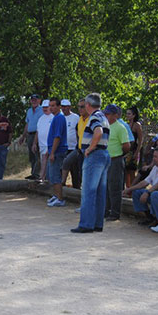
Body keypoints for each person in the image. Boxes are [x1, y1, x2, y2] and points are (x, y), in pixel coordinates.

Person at [72, 93, 110, 233]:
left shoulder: (94, 117)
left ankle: (86, 224)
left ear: (88, 105)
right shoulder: (103, 116)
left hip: (95, 155)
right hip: (104, 154)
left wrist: (90, 148)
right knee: (100, 191)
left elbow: (98, 132)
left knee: (88, 191)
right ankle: (97, 223)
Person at [123, 146, 158, 226]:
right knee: (137, 192)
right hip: (154, 192)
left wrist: (147, 192)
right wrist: (129, 189)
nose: (153, 159)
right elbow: (145, 182)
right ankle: (149, 217)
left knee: (155, 195)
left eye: (155, 156)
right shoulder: (156, 167)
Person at [104, 104, 131, 221]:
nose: (106, 115)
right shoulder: (104, 125)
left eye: (108, 114)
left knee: (115, 187)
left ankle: (115, 213)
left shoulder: (120, 127)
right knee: (105, 186)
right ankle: (106, 210)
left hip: (115, 159)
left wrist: (119, 155)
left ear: (115, 115)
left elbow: (126, 146)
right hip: (105, 160)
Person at [62, 98, 89, 189]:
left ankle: (78, 188)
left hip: (84, 149)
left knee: (78, 171)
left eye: (82, 107)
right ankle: (62, 184)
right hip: (77, 149)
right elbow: (78, 131)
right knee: (66, 162)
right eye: (79, 107)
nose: (80, 109)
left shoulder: (78, 118)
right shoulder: (80, 119)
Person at [45, 98, 67, 207]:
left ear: (59, 106)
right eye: (50, 105)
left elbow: (57, 137)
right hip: (54, 150)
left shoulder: (59, 118)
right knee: (51, 175)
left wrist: (52, 152)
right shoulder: (56, 118)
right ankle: (56, 195)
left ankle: (60, 198)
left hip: (58, 151)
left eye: (54, 105)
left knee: (55, 175)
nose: (51, 108)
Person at [19, 94, 43, 180]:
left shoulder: (41, 110)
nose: (34, 101)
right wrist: (23, 136)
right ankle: (33, 172)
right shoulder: (29, 111)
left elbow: (40, 126)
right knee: (31, 156)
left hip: (38, 135)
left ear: (39, 100)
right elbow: (27, 123)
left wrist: (35, 141)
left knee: (37, 154)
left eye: (36, 99)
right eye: (32, 99)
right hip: (30, 135)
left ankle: (37, 174)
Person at [33, 100, 53, 183]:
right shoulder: (41, 119)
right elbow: (38, 132)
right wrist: (34, 143)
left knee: (49, 165)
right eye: (44, 107)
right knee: (43, 163)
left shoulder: (54, 117)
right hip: (42, 145)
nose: (45, 109)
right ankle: (42, 178)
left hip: (51, 145)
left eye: (46, 107)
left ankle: (48, 180)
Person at [124, 106, 144, 187]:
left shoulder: (137, 125)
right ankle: (127, 189)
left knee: (132, 171)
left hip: (134, 150)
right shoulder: (126, 124)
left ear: (134, 115)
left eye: (129, 114)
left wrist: (137, 152)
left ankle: (132, 190)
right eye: (127, 114)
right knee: (126, 171)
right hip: (127, 151)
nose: (127, 115)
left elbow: (140, 140)